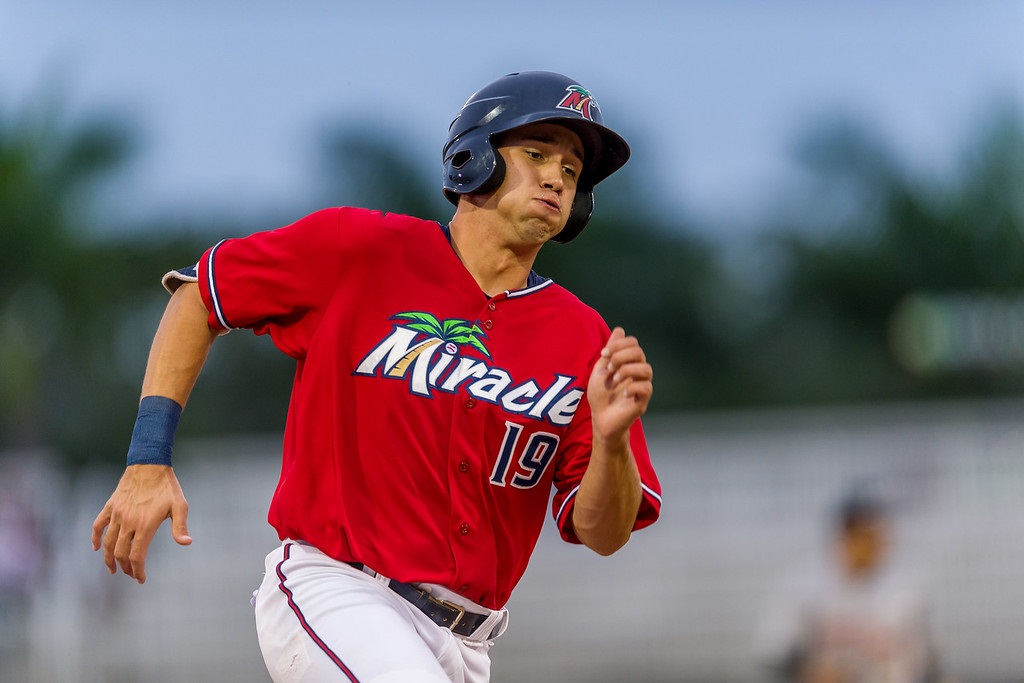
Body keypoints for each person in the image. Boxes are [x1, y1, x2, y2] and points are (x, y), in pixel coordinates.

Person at [91, 70, 663, 683]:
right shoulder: (360, 250)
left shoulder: (583, 339)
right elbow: (201, 297)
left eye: (572, 170)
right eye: (535, 153)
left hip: (468, 644)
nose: (555, 176)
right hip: (337, 590)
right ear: (474, 158)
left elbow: (603, 533)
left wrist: (610, 443)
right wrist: (148, 459)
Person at [753, 491, 943, 683]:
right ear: (841, 537)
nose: (865, 545)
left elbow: (929, 662)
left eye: (871, 536)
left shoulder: (908, 585)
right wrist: (809, 669)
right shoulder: (803, 582)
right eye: (857, 535)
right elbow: (773, 651)